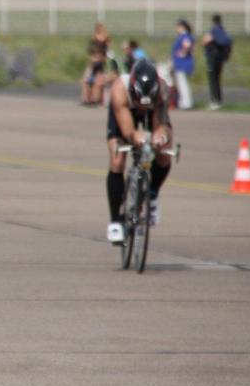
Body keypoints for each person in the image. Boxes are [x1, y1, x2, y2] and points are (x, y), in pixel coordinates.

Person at [105, 59, 173, 244]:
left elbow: (161, 126)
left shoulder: (162, 91)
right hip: (125, 111)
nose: (143, 105)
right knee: (117, 157)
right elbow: (128, 132)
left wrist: (159, 139)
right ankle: (115, 222)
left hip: (154, 113)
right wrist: (137, 138)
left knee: (165, 151)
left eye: (146, 102)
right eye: (140, 101)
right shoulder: (120, 90)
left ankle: (152, 194)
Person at [202, 14, 232, 110]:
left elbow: (205, 41)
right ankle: (219, 100)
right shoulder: (223, 31)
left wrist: (207, 40)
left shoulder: (214, 31)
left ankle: (214, 101)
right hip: (220, 59)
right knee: (217, 80)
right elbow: (228, 41)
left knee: (213, 80)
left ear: (213, 21)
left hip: (213, 59)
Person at [80, 22, 111, 105]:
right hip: (94, 61)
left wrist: (102, 57)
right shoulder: (94, 37)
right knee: (86, 80)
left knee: (98, 81)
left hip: (101, 61)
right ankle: (86, 98)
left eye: (100, 27)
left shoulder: (106, 37)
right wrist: (93, 57)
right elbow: (90, 50)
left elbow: (107, 50)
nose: (99, 29)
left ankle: (95, 98)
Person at [171, 19, 195, 110]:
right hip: (180, 63)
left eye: (177, 27)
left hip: (182, 63)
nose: (176, 29)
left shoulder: (185, 36)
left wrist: (183, 52)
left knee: (183, 83)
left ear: (182, 27)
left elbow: (187, 45)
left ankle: (186, 103)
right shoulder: (182, 36)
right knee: (181, 83)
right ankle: (183, 102)